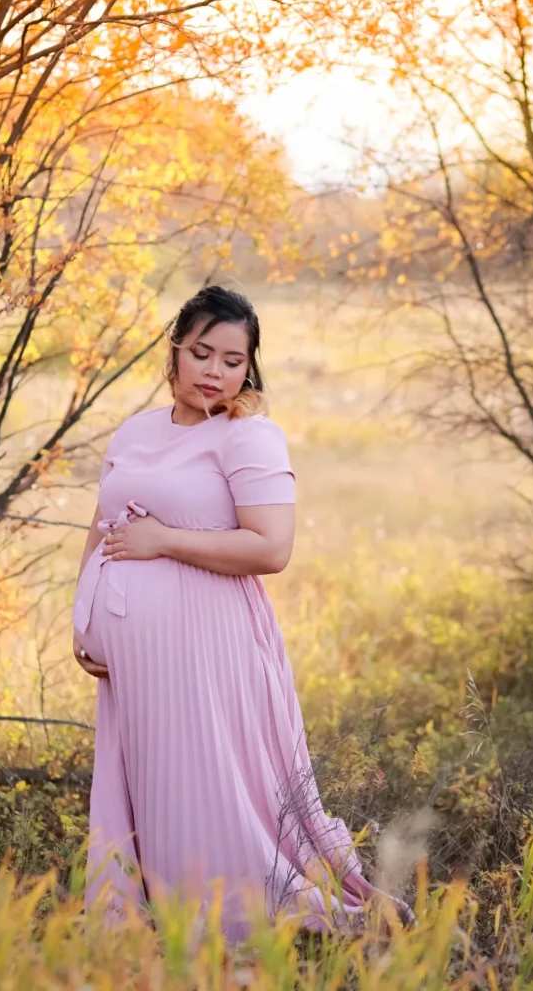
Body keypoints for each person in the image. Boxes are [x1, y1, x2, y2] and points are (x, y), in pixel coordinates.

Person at [71, 285, 414, 944]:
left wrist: (164, 540)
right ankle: (158, 917)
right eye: (202, 353)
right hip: (133, 665)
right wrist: (81, 616)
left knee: (208, 786)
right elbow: (103, 520)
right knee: (154, 786)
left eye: (233, 361)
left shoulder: (248, 437)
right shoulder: (135, 430)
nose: (214, 372)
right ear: (174, 349)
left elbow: (271, 548)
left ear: (248, 367)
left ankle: (233, 918)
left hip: (209, 646)